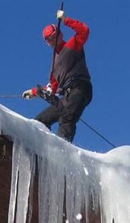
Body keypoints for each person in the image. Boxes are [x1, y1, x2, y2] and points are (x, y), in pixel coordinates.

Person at [22, 10, 92, 143]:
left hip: (80, 88)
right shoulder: (54, 66)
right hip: (66, 95)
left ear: (60, 34)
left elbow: (84, 31)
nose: (52, 41)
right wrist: (34, 92)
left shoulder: (72, 45)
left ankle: (62, 152)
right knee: (40, 121)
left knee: (66, 119)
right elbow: (51, 89)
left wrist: (65, 19)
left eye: (54, 37)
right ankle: (40, 148)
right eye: (48, 40)